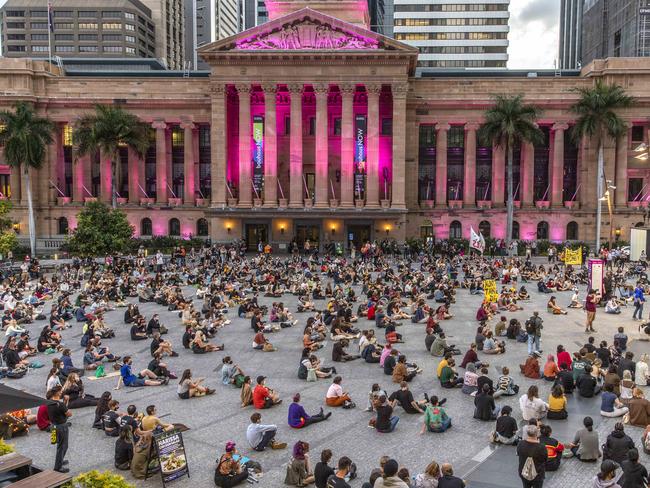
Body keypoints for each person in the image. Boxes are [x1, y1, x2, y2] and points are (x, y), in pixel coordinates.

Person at [46, 386, 72, 473]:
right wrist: (66, 401)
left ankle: (60, 461)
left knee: (59, 445)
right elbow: (69, 414)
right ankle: (58, 467)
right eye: (60, 391)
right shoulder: (60, 404)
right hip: (61, 427)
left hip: (54, 425)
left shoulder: (49, 402)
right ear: (57, 392)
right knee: (63, 446)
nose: (61, 392)